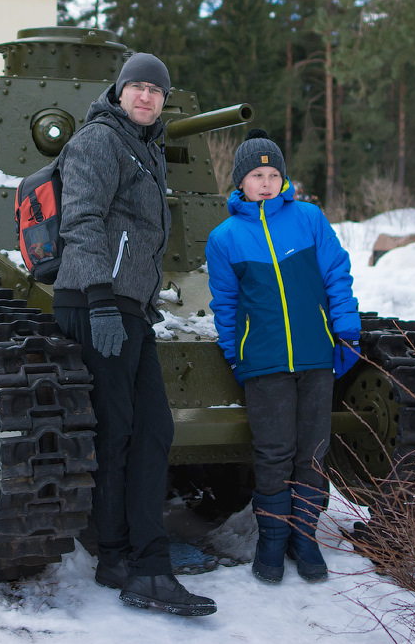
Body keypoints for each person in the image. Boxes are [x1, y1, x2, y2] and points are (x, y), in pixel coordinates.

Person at [52, 52, 216, 617]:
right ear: (119, 91)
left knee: (150, 430)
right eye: (138, 87)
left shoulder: (144, 147)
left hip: (129, 308)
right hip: (96, 303)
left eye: (156, 91)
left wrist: (131, 303)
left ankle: (134, 558)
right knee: (120, 431)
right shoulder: (99, 140)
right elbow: (81, 219)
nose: (147, 97)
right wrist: (100, 300)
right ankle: (130, 561)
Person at [205, 129, 361, 583]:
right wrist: (237, 354)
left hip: (315, 356)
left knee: (312, 453)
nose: (267, 182)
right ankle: (272, 541)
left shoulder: (309, 219)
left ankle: (304, 537)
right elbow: (225, 303)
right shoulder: (225, 237)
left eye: (274, 174)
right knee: (273, 454)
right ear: (241, 182)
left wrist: (346, 330)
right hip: (265, 362)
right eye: (257, 174)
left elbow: (336, 273)